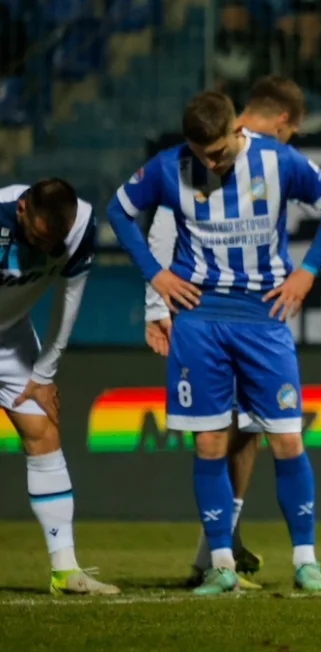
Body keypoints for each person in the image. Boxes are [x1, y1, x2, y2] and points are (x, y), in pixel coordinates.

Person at [107, 90, 321, 595]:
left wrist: (307, 272)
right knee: (210, 442)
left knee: (287, 439)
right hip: (200, 319)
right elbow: (117, 212)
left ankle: (306, 562)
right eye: (202, 155)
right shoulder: (169, 166)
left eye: (218, 152)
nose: (211, 163)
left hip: (264, 319)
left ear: (238, 132)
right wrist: (156, 276)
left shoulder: (278, 160)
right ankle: (221, 563)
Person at [143, 76, 310, 591]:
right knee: (220, 433)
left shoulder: (260, 159)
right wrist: (156, 302)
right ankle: (215, 552)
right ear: (280, 123)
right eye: (293, 134)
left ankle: (217, 549)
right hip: (203, 313)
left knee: (251, 431)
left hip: (253, 314)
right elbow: (167, 224)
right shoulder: (210, 155)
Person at [0, 179, 120, 596]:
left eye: (56, 241)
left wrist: (44, 374)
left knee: (44, 433)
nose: (48, 249)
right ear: (20, 211)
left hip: (10, 339)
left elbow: (69, 301)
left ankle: (66, 571)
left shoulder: (82, 226)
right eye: (38, 237)